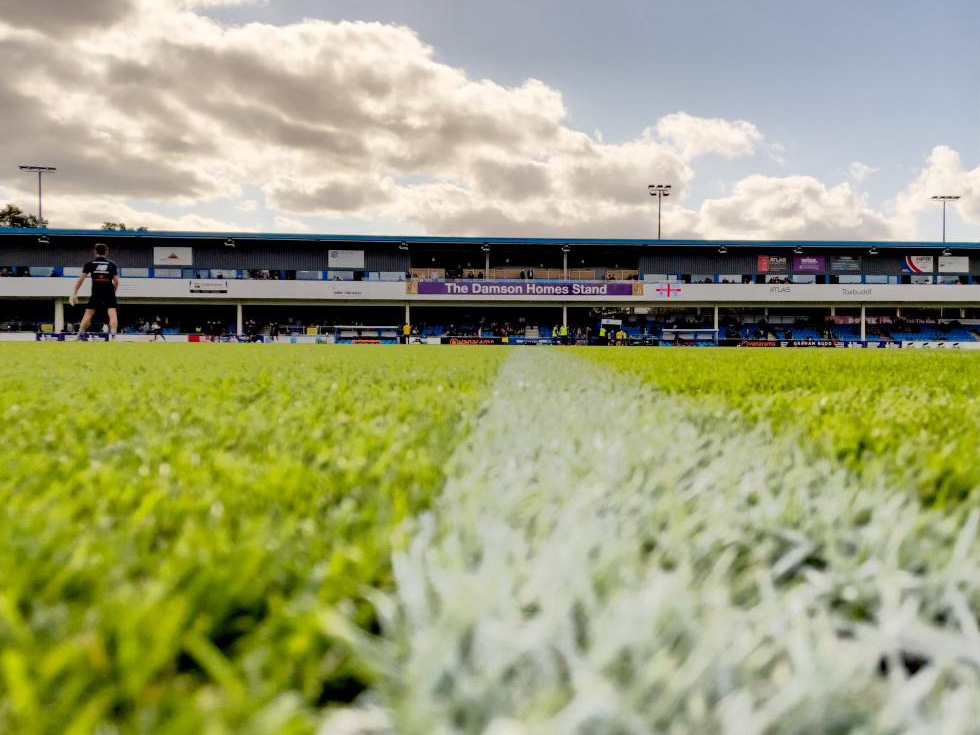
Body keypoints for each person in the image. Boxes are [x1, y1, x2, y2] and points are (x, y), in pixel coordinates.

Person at [70, 243, 119, 338]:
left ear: (95, 252)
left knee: (88, 313)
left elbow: (81, 279)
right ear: (106, 252)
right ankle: (114, 336)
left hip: (96, 291)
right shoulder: (111, 264)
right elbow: (116, 281)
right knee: (112, 313)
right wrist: (113, 292)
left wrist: (74, 293)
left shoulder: (90, 264)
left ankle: (79, 335)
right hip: (109, 290)